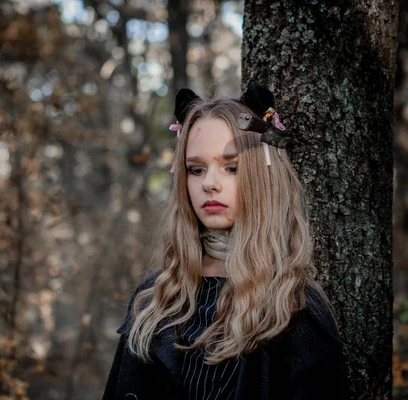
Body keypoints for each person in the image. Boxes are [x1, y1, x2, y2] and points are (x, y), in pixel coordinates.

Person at [103, 83, 349, 400]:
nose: (209, 184)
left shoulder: (294, 307)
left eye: (231, 167)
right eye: (196, 169)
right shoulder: (156, 295)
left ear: (262, 176)